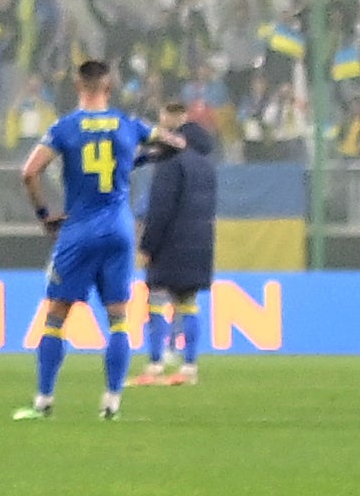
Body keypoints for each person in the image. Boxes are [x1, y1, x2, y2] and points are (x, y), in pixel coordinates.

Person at [15, 63, 153, 417]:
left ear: (77, 84)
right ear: (110, 85)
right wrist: (134, 161)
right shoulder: (128, 124)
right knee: (119, 317)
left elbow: (29, 172)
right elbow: (172, 143)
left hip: (79, 229)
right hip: (120, 229)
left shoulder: (65, 127)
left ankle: (44, 401)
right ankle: (112, 403)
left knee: (56, 315)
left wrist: (45, 215)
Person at [143, 97, 223, 383]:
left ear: (168, 117)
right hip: (200, 242)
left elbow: (160, 209)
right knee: (188, 301)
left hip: (171, 244)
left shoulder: (170, 162)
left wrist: (148, 246)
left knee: (155, 299)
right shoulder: (205, 163)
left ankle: (155, 363)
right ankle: (189, 367)